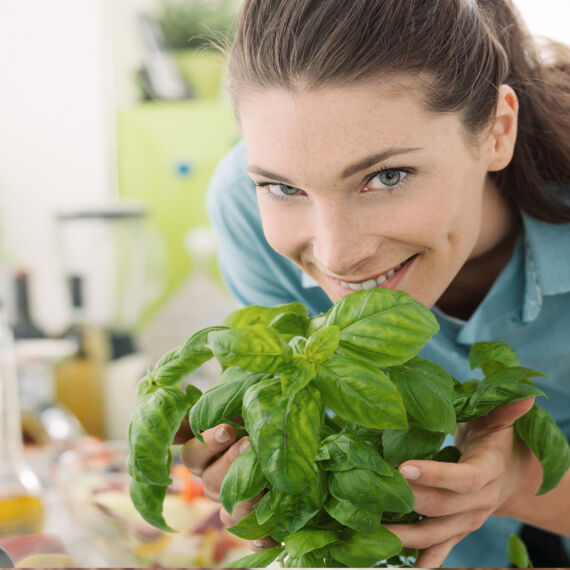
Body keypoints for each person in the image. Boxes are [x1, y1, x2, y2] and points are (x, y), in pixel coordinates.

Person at [180, 0, 570, 567]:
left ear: (496, 130)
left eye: (386, 176)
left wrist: (517, 482)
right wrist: (271, 460)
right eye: (285, 189)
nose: (338, 255)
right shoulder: (242, 209)